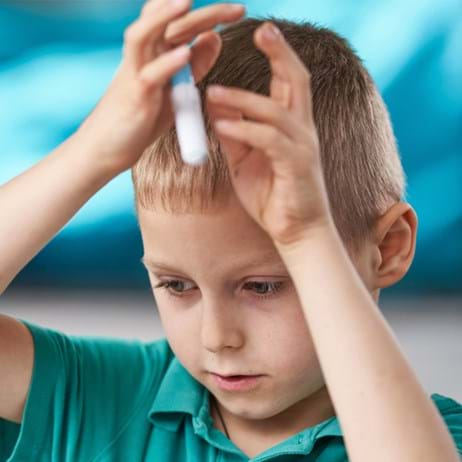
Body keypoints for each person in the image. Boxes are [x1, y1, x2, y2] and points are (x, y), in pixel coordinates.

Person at [0, 0, 461, 460]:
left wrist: (306, 235)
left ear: (389, 247)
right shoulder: (103, 398)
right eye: (177, 285)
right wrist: (93, 150)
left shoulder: (434, 437)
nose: (216, 337)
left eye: (262, 286)